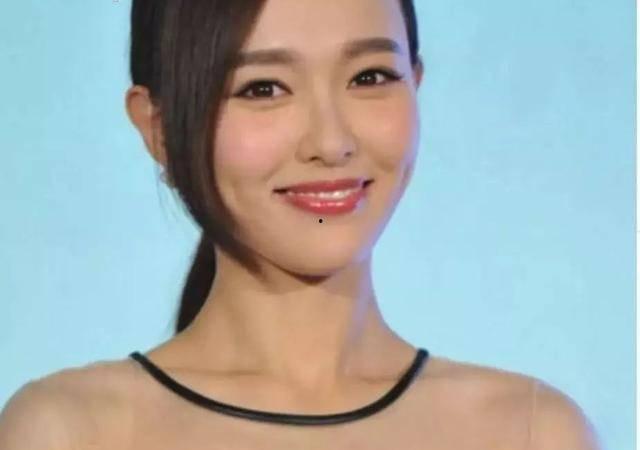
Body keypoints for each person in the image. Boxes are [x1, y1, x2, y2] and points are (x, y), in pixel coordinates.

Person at [0, 0, 602, 448]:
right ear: (158, 129)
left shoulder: (531, 432)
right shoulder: (72, 432)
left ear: (416, 84)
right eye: (263, 88)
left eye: (370, 77)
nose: (332, 142)